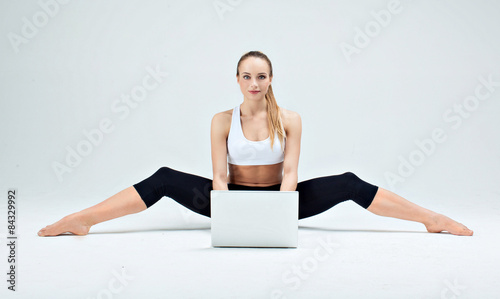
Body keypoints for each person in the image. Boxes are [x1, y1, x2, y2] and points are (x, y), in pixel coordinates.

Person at [38, 51, 473, 237]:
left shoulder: (290, 119)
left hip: (281, 199)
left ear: (271, 80)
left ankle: (430, 219)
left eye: (261, 76)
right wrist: (229, 213)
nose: (254, 83)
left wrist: (280, 214)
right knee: (166, 177)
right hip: (232, 198)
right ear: (237, 80)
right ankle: (83, 219)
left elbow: (291, 174)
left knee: (348, 182)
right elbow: (219, 175)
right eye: (246, 76)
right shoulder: (221, 120)